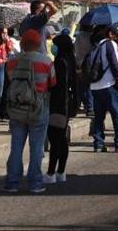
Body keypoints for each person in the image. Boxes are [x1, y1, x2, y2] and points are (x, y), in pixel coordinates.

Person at [3, 30, 56, 193]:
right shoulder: (46, 61)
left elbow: (10, 80)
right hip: (38, 108)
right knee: (37, 147)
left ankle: (12, 183)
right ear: (39, 43)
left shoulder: (12, 62)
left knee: (16, 146)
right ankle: (35, 183)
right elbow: (52, 83)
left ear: (23, 43)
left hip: (17, 108)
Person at [89, 24, 118, 153]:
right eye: (116, 34)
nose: (117, 37)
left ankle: (98, 144)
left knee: (98, 116)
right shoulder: (110, 44)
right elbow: (114, 63)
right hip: (109, 84)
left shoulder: (95, 46)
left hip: (95, 86)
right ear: (109, 34)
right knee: (117, 114)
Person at [44, 31, 77, 183]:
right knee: (62, 140)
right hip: (66, 104)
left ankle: (51, 173)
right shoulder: (70, 60)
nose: (53, 48)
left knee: (55, 139)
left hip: (58, 105)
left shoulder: (60, 63)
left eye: (55, 45)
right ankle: (61, 172)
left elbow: (57, 85)